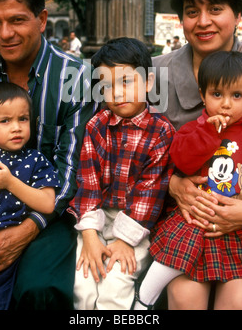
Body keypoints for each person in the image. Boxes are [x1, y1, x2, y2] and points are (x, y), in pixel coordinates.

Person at [0, 0, 96, 310]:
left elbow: (69, 177)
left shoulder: (76, 78)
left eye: (17, 20)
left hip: (48, 214)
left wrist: (24, 231)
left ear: (42, 19)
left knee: (39, 290)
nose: (4, 33)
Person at [150, 0, 242, 309]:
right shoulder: (154, 74)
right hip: (184, 221)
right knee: (184, 299)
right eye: (191, 12)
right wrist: (172, 184)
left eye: (215, 9)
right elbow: (126, 150)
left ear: (238, 14)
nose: (203, 22)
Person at [134, 51, 242, 310]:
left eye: (236, 95)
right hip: (194, 222)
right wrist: (208, 132)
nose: (226, 104)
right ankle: (143, 300)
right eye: (217, 94)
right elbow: (183, 161)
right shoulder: (193, 129)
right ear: (203, 94)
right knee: (174, 270)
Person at [67, 37, 175, 310]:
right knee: (82, 281)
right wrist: (90, 235)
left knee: (115, 284)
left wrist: (125, 241)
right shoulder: (96, 125)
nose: (117, 93)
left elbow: (151, 193)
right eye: (107, 86)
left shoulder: (161, 131)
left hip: (139, 224)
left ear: (148, 82)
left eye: (126, 82)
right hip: (99, 216)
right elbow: (87, 184)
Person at [0, 82, 61, 310]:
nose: (16, 127)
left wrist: (11, 183)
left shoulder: (36, 161)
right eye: (5, 121)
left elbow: (47, 204)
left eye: (23, 119)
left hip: (4, 255)